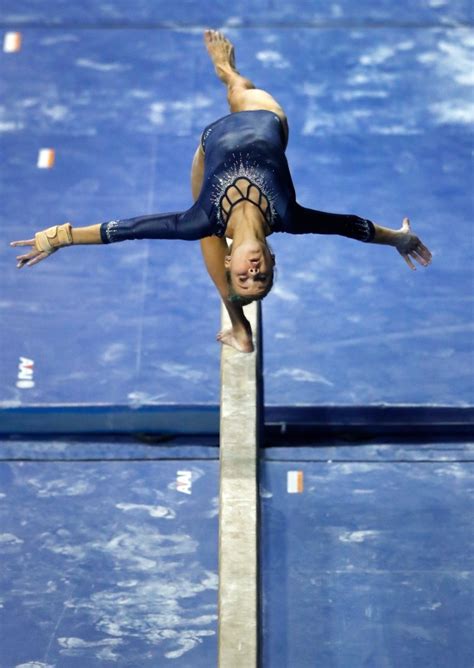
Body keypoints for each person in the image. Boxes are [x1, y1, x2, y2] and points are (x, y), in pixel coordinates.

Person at [11, 29, 432, 353]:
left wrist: (61, 237)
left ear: (232, 261)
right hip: (264, 117)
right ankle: (229, 71)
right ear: (271, 258)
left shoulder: (201, 219)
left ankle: (240, 325)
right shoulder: (290, 217)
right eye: (261, 275)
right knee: (237, 90)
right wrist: (400, 238)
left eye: (244, 277)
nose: (252, 271)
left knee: (202, 229)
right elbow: (351, 226)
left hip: (208, 146)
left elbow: (128, 229)